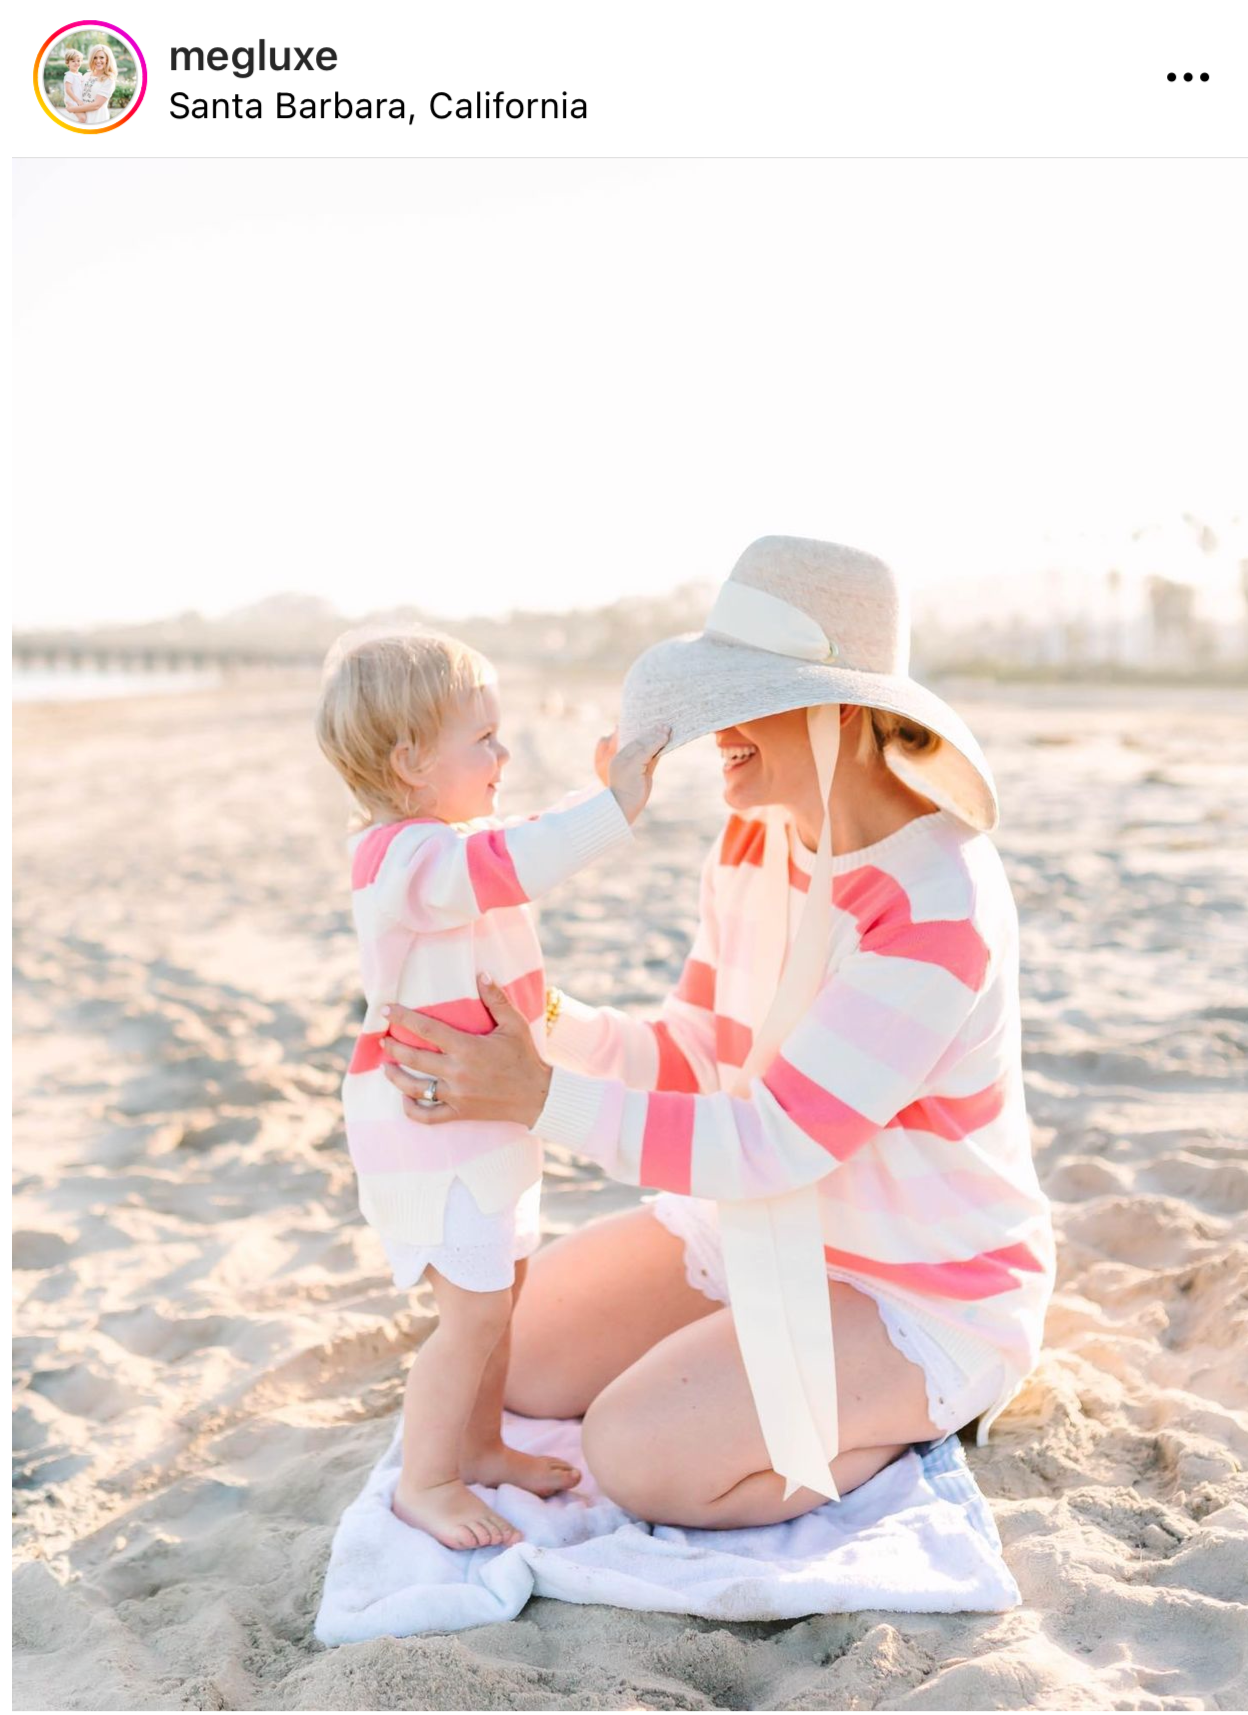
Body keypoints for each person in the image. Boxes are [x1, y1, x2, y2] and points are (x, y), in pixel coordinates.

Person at [380, 536, 1056, 1531]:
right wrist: (544, 1024)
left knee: (637, 1453)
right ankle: (760, 1368)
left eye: (746, 698)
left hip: (921, 1279)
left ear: (840, 710)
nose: (717, 730)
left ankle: (901, 1412)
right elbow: (699, 1052)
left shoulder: (935, 901)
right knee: (516, 1356)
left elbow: (770, 1139)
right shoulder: (754, 835)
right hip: (761, 1218)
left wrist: (539, 1097)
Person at [314, 626, 668, 1551]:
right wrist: (611, 809)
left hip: (485, 1119)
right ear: (410, 761)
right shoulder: (401, 860)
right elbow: (513, 861)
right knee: (468, 1315)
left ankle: (478, 1445)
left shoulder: (449, 846)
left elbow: (512, 845)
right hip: (430, 1131)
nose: (503, 754)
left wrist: (590, 799)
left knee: (501, 1290)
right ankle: (426, 1478)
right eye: (483, 739)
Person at [70, 44, 118, 127]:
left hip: (98, 119)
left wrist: (73, 109)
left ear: (107, 59)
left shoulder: (109, 79)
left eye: (101, 57)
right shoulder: (86, 75)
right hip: (82, 118)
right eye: (95, 58)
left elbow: (96, 105)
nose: (98, 61)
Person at [60, 51, 86, 124]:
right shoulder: (69, 75)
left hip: (79, 101)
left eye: (78, 61)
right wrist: (77, 101)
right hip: (73, 102)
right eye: (73, 61)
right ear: (68, 63)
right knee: (82, 118)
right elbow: (68, 90)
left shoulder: (80, 75)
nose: (76, 63)